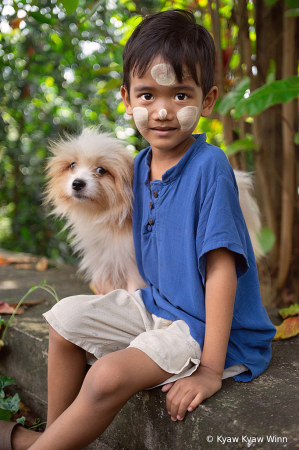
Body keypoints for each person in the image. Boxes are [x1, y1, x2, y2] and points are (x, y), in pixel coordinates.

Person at [4, 9, 276, 450]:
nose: (163, 111)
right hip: (156, 305)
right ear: (127, 100)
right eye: (147, 95)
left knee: (108, 375)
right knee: (62, 319)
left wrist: (209, 370)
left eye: (180, 95)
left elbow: (223, 270)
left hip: (203, 329)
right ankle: (53, 438)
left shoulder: (210, 167)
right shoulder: (142, 165)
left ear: (207, 101)